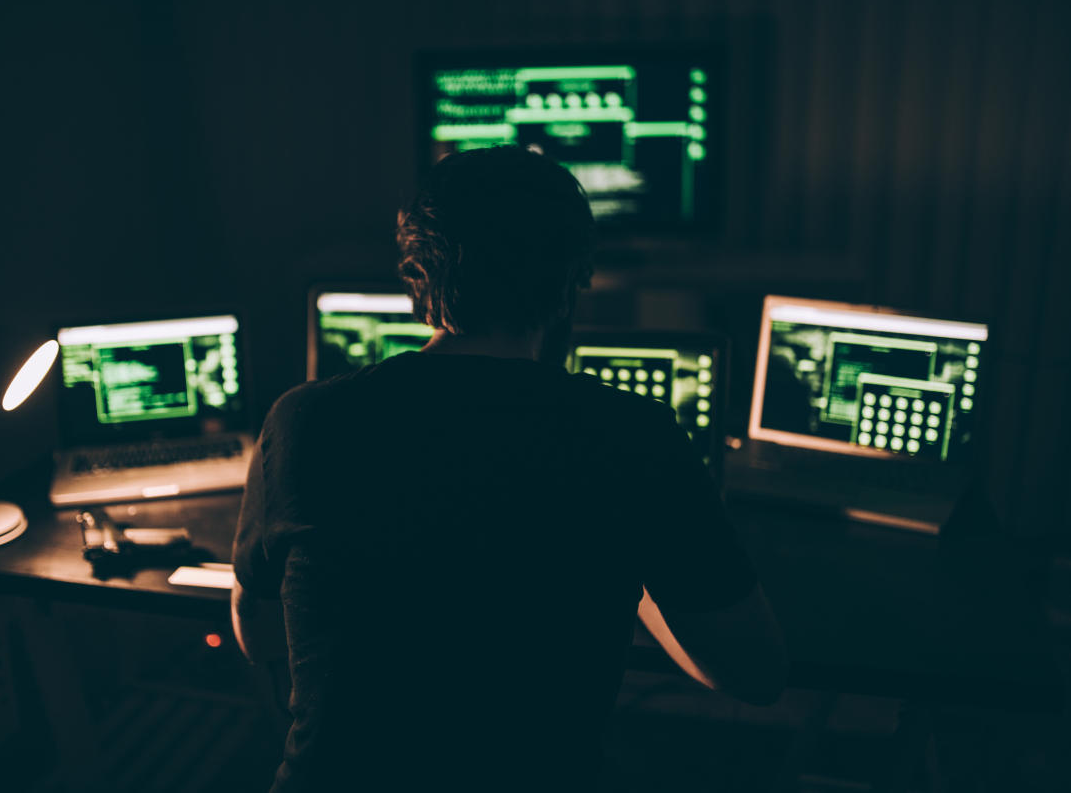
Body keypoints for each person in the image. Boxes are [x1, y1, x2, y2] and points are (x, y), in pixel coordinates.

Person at [232, 146, 787, 792]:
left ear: (416, 277)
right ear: (574, 280)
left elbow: (261, 633)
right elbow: (755, 675)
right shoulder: (632, 435)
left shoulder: (302, 419)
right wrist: (630, 569)